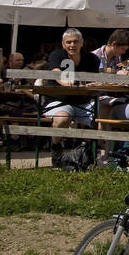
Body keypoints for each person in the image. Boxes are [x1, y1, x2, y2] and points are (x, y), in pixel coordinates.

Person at [40, 28, 101, 160]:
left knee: (102, 121)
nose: (72, 45)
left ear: (82, 43)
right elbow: (56, 71)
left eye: (75, 42)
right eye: (68, 42)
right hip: (59, 100)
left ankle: (86, 152)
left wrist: (91, 84)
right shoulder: (56, 55)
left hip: (83, 102)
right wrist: (63, 81)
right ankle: (56, 147)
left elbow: (95, 80)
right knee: (62, 119)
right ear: (63, 44)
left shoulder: (92, 59)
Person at [90, 29, 129, 121]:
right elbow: (94, 75)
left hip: (112, 94)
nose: (124, 52)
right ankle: (103, 134)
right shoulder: (94, 56)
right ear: (114, 44)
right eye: (123, 49)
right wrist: (116, 72)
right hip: (95, 96)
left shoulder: (117, 57)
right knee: (106, 107)